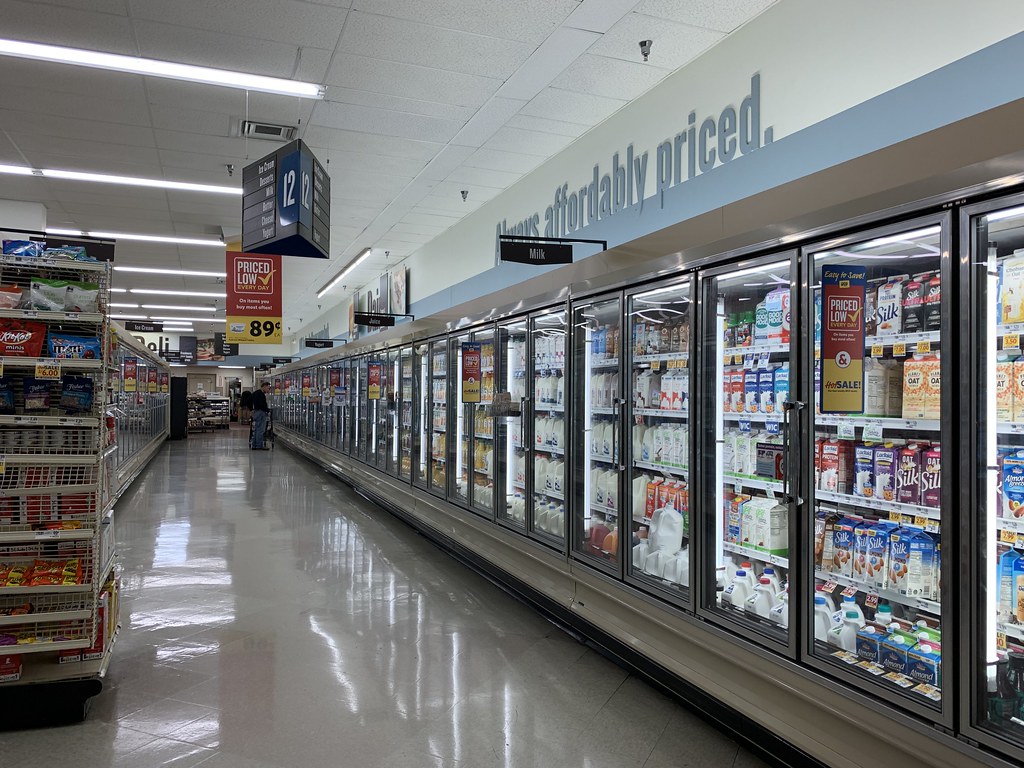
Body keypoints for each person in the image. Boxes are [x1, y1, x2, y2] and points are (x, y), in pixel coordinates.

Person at [250, 381, 271, 450]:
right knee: (261, 430)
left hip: (256, 412)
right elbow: (262, 405)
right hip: (261, 413)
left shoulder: (256, 393)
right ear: (264, 386)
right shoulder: (260, 394)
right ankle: (259, 445)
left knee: (256, 429)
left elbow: (249, 400)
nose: (268, 390)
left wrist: (251, 410)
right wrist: (267, 410)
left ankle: (254, 445)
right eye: (268, 388)